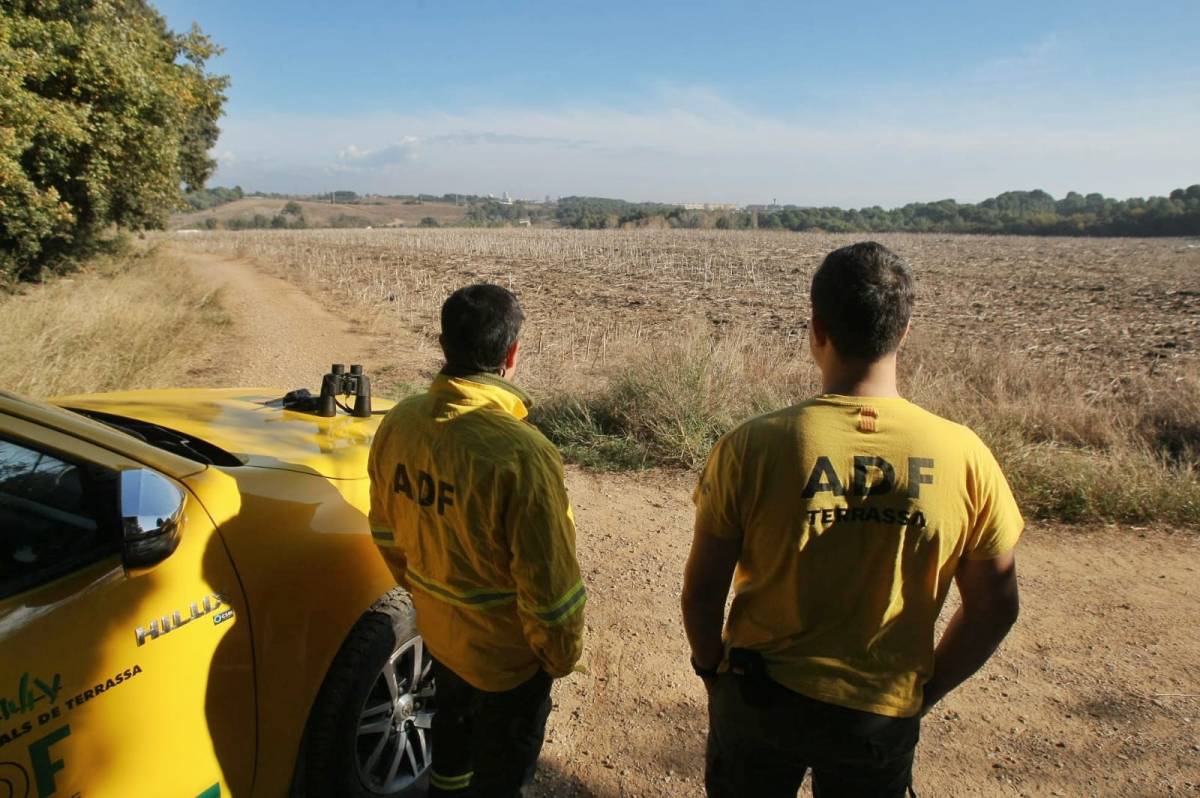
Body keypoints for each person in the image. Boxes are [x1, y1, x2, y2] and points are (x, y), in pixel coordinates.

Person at [681, 242, 1022, 797]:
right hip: (877, 718)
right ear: (904, 330)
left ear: (816, 329)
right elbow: (995, 606)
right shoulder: (965, 456)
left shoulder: (753, 446)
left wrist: (710, 671)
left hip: (760, 699)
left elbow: (700, 593)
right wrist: (920, 693)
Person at [368, 283, 586, 797]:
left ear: (443, 346)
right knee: (501, 772)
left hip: (441, 638)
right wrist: (557, 659)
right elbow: (551, 590)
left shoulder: (399, 424)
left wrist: (431, 599)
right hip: (509, 663)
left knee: (451, 738)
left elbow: (385, 533)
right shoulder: (522, 454)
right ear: (512, 355)